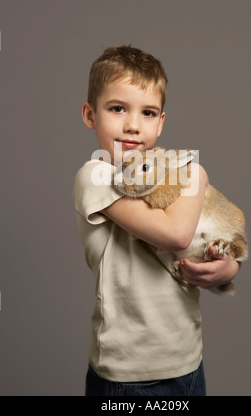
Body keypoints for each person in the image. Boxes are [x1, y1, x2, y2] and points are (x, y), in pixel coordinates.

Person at [73, 45, 240, 396]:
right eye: (117, 108)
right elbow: (176, 234)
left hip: (188, 360)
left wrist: (227, 269)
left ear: (161, 122)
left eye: (148, 113)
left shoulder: (165, 174)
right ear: (90, 114)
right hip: (128, 374)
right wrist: (199, 174)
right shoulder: (96, 174)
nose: (133, 126)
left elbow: (197, 243)